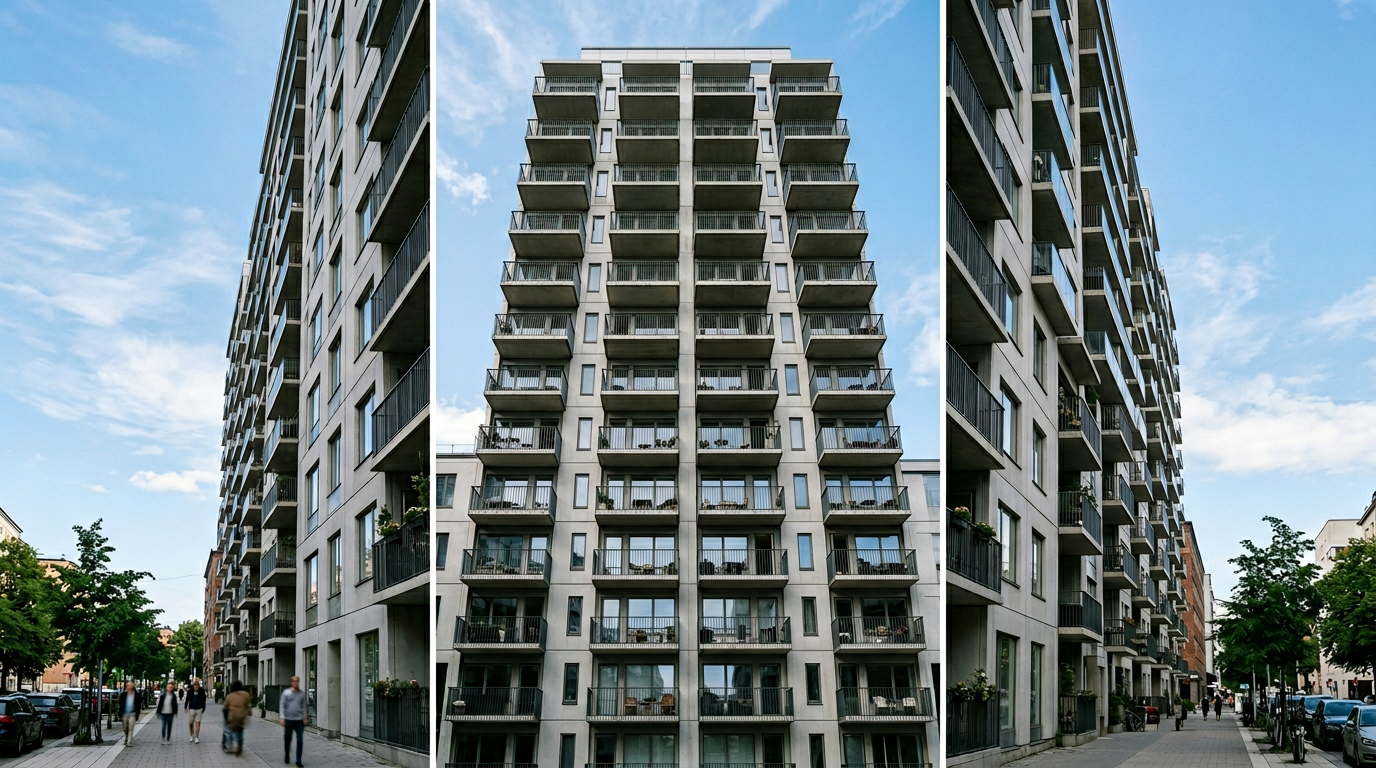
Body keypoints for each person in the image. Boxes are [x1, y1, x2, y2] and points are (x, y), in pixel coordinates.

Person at [280, 676, 308, 767]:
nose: (296, 683)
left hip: (299, 720)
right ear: (291, 682)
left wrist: (305, 717)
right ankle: (287, 755)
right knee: (288, 739)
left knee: (300, 740)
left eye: (297, 681)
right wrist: (282, 717)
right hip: (288, 720)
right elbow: (282, 705)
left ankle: (298, 760)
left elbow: (304, 706)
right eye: (294, 681)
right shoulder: (286, 693)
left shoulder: (301, 694)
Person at [223, 680, 252, 756]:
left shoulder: (229, 696)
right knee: (240, 732)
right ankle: (240, 746)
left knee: (232, 731)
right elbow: (248, 706)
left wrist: (226, 719)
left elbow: (225, 708)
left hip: (233, 717)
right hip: (242, 717)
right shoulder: (246, 695)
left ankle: (233, 746)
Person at [119, 681, 141, 747]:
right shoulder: (123, 695)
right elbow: (120, 704)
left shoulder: (137, 695)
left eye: (131, 685)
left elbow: (139, 705)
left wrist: (137, 713)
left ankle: (129, 742)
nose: (129, 687)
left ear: (133, 686)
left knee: (131, 728)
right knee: (125, 727)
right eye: (128, 685)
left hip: (132, 713)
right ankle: (126, 736)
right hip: (125, 713)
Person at [186, 678, 208, 743]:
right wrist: (185, 707)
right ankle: (191, 735)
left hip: (199, 709)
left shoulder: (202, 691)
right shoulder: (190, 691)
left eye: (197, 685)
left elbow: (204, 700)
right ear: (193, 686)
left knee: (198, 723)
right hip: (191, 708)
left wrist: (203, 708)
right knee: (190, 723)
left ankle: (196, 737)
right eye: (195, 685)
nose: (196, 686)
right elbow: (187, 699)